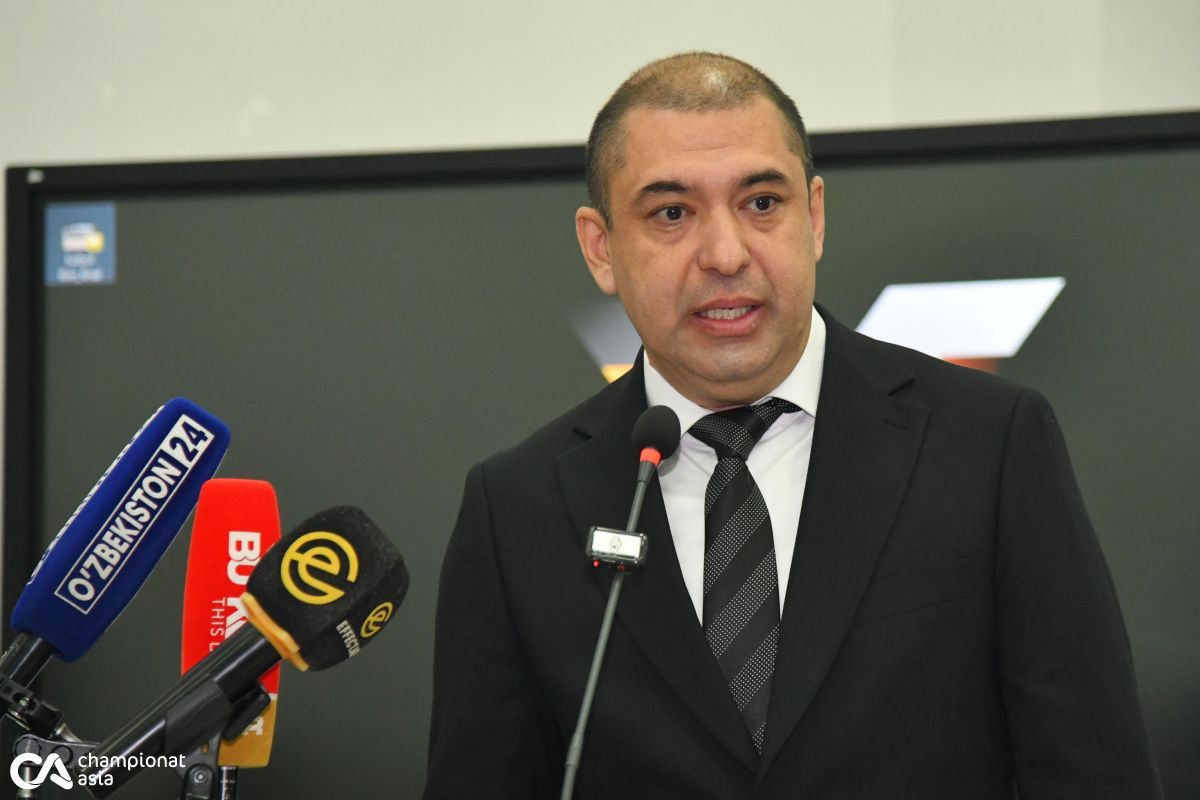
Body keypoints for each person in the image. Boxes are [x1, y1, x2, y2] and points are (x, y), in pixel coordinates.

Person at [423, 52, 1161, 799]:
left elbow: (1095, 772)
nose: (725, 254)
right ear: (601, 248)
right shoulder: (516, 508)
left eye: (761, 202)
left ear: (814, 217)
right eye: (672, 213)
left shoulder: (986, 443)